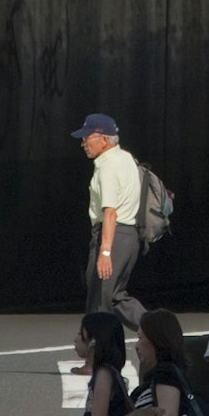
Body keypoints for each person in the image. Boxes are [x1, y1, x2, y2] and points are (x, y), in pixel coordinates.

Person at [77, 113, 144, 315]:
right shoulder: (127, 159)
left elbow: (110, 212)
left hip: (113, 237)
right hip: (129, 237)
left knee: (100, 299)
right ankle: (155, 330)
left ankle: (99, 342)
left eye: (86, 138)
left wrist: (105, 252)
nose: (83, 144)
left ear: (103, 140)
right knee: (114, 297)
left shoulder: (107, 167)